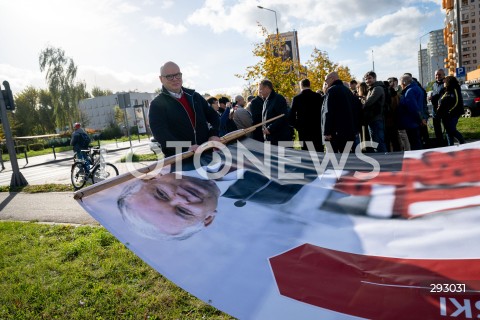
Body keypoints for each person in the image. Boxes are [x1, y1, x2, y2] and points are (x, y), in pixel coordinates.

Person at [148, 61, 221, 157]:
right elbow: (161, 136)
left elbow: (214, 117)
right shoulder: (157, 104)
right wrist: (186, 147)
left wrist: (213, 134)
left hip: (206, 154)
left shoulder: (195, 96)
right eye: (169, 76)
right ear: (161, 79)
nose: (175, 79)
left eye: (177, 75)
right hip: (180, 160)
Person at [321, 72, 359, 153]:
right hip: (348, 132)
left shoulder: (331, 91)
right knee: (346, 157)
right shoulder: (348, 91)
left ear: (332, 78)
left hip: (335, 133)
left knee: (333, 159)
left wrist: (326, 131)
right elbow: (355, 111)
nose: (325, 82)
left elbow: (328, 112)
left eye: (326, 80)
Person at [289, 78, 324, 151]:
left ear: (301, 86)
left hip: (303, 130)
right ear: (309, 85)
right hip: (316, 128)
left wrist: (297, 126)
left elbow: (291, 115)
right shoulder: (317, 96)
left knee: (306, 152)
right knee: (318, 151)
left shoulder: (297, 98)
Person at [259, 79, 293, 145]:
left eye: (261, 89)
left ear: (267, 88)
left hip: (281, 138)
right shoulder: (265, 101)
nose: (260, 92)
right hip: (270, 138)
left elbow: (283, 116)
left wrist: (270, 128)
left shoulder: (278, 98)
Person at [435, 76, 465, 146]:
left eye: (445, 81)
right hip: (446, 114)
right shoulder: (446, 90)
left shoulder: (455, 89)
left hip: (453, 114)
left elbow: (456, 101)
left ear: (448, 82)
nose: (443, 82)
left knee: (452, 130)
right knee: (448, 131)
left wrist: (449, 110)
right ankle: (450, 146)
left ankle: (462, 142)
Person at [397, 74, 423, 150]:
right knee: (416, 142)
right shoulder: (417, 88)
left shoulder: (409, 92)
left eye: (401, 83)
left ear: (404, 82)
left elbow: (413, 108)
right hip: (414, 121)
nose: (400, 85)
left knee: (414, 143)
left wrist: (418, 119)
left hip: (410, 122)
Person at [363, 71, 387, 153]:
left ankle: (383, 160)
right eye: (366, 79)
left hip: (376, 119)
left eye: (369, 78)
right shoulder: (372, 88)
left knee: (378, 142)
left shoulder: (377, 88)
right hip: (372, 119)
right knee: (375, 142)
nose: (367, 81)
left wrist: (362, 103)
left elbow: (369, 102)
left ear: (374, 78)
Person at [429, 69, 446, 147]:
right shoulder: (434, 85)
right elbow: (435, 94)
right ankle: (440, 144)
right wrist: (431, 97)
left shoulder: (446, 84)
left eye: (439, 74)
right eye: (436, 75)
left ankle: (448, 143)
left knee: (448, 128)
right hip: (435, 109)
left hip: (444, 109)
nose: (437, 76)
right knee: (437, 128)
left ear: (443, 75)